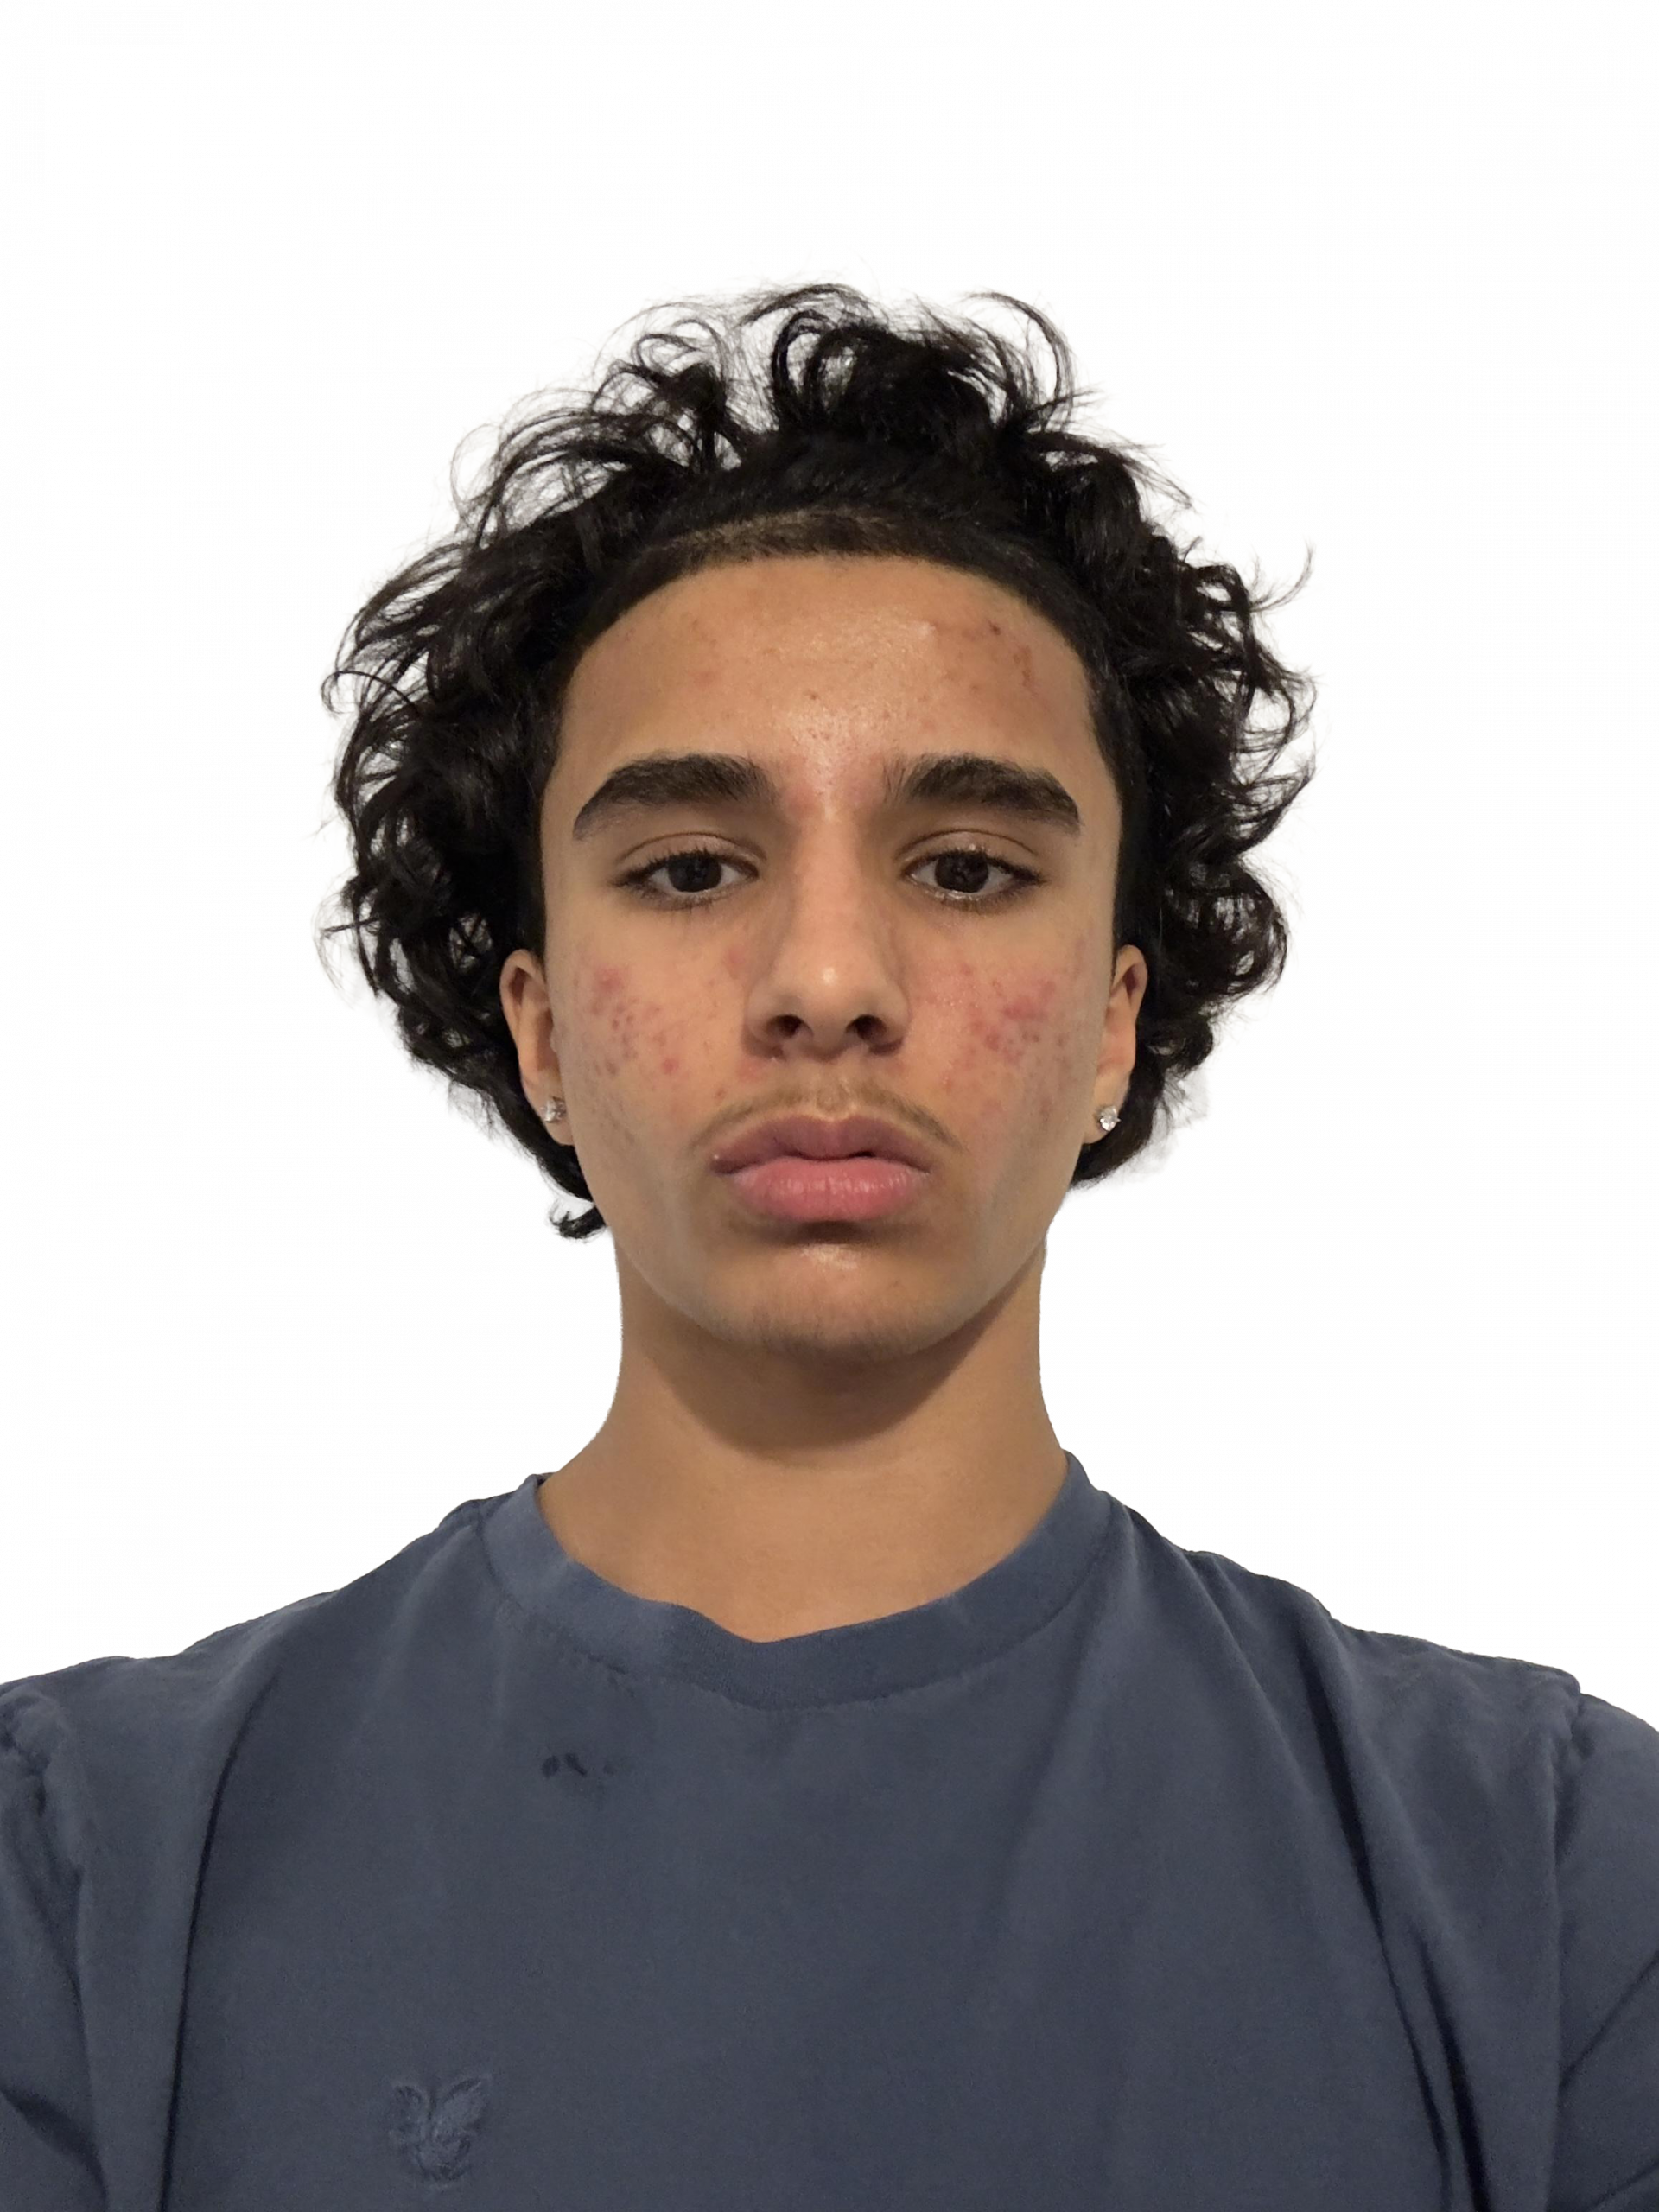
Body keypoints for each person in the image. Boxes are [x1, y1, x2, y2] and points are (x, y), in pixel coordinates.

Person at [3, 261, 1652, 2209]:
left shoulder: (1556, 1864)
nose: (828, 981)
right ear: (539, 1023)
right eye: (693, 866)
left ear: (1118, 1017)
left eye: (965, 866)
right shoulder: (83, 1862)